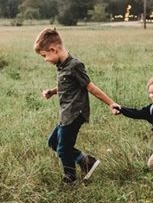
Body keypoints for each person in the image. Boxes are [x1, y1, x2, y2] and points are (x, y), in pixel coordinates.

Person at [34, 27, 117, 185]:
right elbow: (68, 86)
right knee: (53, 142)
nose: (45, 59)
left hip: (75, 114)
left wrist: (111, 103)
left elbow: (91, 87)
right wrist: (52, 91)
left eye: (44, 56)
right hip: (66, 114)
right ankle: (85, 161)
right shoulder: (62, 66)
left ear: (53, 50)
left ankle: (70, 178)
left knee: (63, 149)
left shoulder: (75, 65)